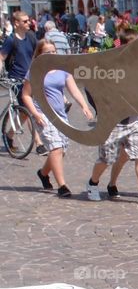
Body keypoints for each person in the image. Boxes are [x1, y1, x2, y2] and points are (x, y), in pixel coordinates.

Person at [84, 29, 138, 206]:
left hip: (134, 119)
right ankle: (93, 183)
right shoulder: (111, 65)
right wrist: (100, 107)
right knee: (107, 159)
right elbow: (90, 86)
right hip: (113, 121)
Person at [21, 39, 94, 197]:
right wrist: (35, 114)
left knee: (61, 151)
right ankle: (62, 186)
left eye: (54, 51)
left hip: (60, 116)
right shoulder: (35, 71)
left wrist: (84, 106)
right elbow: (26, 95)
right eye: (48, 52)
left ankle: (43, 173)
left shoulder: (62, 69)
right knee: (56, 148)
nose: (52, 55)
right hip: (43, 115)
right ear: (40, 55)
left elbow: (74, 90)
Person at [1, 11, 41, 152]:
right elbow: (1, 58)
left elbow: (38, 53)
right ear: (16, 23)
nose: (28, 23)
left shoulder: (31, 37)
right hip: (17, 80)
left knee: (24, 113)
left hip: (31, 78)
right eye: (24, 21)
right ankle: (39, 144)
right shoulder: (11, 40)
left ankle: (9, 135)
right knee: (29, 109)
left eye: (28, 20)